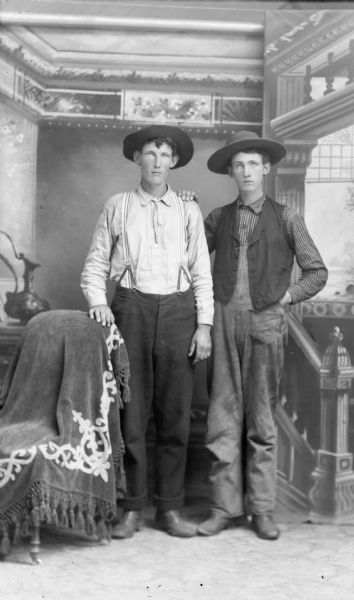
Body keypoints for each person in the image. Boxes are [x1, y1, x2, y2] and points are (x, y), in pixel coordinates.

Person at [81, 125, 213, 538]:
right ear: (137, 158)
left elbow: (202, 273)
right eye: (150, 153)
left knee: (174, 415)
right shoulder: (118, 206)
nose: (157, 161)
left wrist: (204, 325)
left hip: (178, 312)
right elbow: (95, 265)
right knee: (131, 413)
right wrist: (98, 302)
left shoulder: (187, 210)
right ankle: (133, 508)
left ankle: (169, 510)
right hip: (131, 310)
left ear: (174, 162)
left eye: (165, 154)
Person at [197, 130, 328, 540]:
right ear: (231, 172)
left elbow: (317, 271)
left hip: (266, 325)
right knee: (221, 418)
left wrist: (286, 297)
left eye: (253, 163)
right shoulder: (218, 218)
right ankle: (223, 507)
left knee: (262, 419)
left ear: (266, 168)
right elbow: (192, 263)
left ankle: (262, 510)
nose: (246, 171)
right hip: (222, 324)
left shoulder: (287, 217)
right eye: (238, 165)